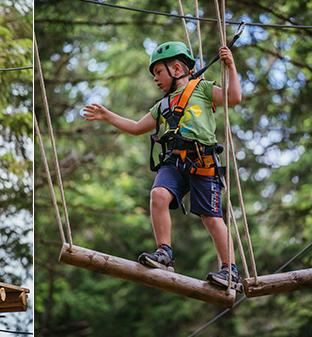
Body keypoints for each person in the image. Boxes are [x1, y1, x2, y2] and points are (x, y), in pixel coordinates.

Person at [82, 41, 244, 292]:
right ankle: (164, 253)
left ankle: (230, 271)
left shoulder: (201, 88)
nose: (155, 78)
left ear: (177, 68)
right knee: (158, 194)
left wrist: (230, 66)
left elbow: (233, 98)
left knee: (211, 219)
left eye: (158, 72)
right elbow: (137, 127)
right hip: (174, 161)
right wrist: (108, 116)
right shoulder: (162, 105)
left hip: (203, 162)